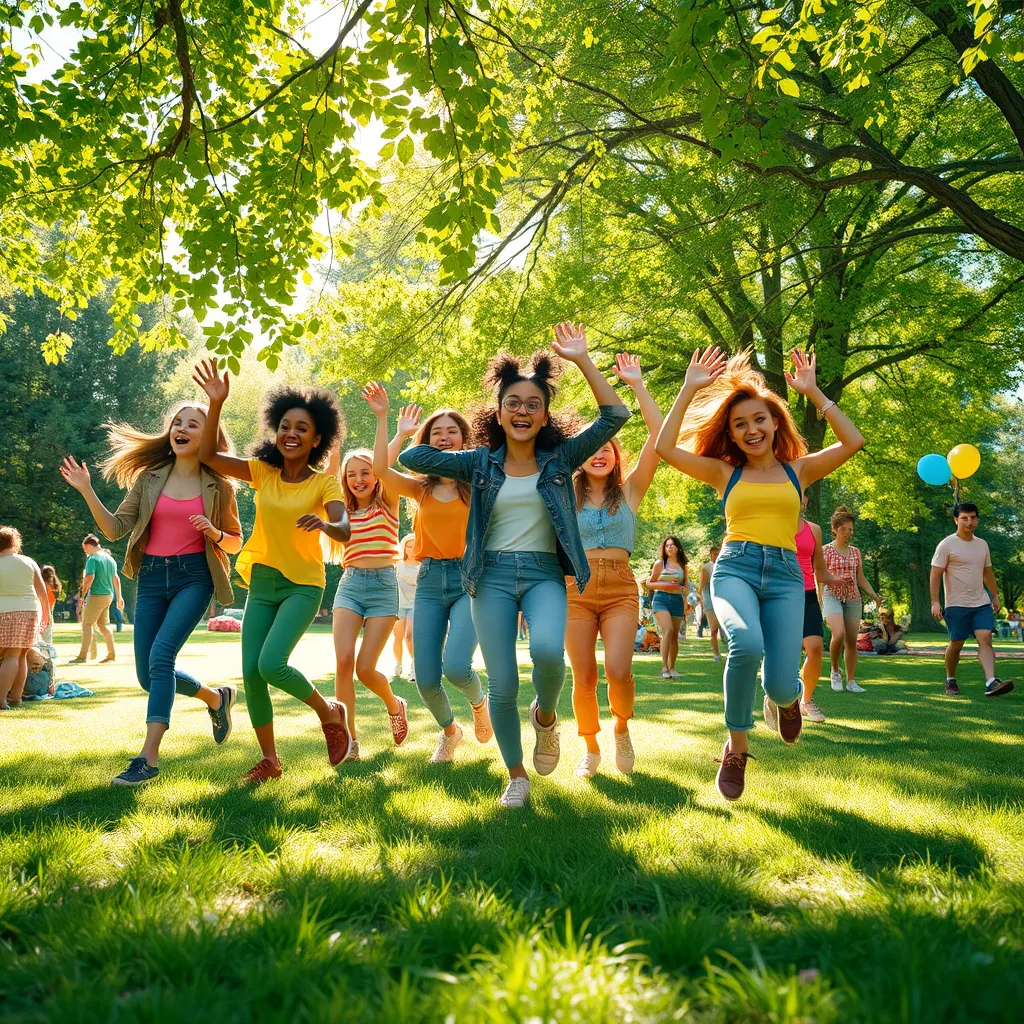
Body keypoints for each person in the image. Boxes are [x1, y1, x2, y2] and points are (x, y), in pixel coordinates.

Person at [399, 323, 630, 807]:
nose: (523, 411)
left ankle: (545, 717)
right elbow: (410, 454)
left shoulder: (561, 457)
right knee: (502, 682)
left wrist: (582, 360)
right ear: (498, 412)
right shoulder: (478, 462)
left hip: (545, 571)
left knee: (548, 653)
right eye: (513, 404)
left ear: (545, 415)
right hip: (491, 576)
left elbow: (613, 415)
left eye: (533, 404)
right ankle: (516, 775)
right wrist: (456, 450)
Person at [655, 347, 865, 800]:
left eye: (759, 420)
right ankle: (736, 746)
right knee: (745, 643)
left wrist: (813, 392)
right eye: (740, 424)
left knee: (778, 681)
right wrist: (690, 388)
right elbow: (665, 447)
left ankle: (786, 700)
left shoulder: (799, 471)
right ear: (731, 434)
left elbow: (853, 441)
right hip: (737, 568)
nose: (751, 430)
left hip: (789, 574)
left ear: (775, 424)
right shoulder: (723, 473)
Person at [60, 402, 244, 786]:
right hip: (151, 578)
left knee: (162, 656)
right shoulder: (150, 478)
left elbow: (234, 542)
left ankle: (148, 759)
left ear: (206, 436)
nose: (182, 428)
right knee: (149, 675)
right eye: (177, 422)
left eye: (193, 424)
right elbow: (114, 530)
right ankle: (216, 698)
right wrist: (87, 490)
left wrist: (213, 532)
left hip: (195, 577)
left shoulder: (219, 486)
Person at [194, 360, 352, 783]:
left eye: (302, 428)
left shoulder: (325, 483)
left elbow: (345, 528)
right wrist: (216, 405)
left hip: (303, 585)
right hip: (262, 581)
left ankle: (329, 712)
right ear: (275, 430)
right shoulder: (263, 472)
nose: (292, 434)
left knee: (271, 664)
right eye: (285, 426)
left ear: (317, 438)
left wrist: (326, 525)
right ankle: (271, 761)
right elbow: (207, 455)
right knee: (250, 673)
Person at [364, 385, 493, 763]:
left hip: (469, 580)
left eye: (453, 432)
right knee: (425, 677)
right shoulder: (419, 489)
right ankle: (450, 732)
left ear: (464, 440)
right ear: (427, 444)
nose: (445, 437)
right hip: (430, 579)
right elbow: (378, 470)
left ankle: (478, 701)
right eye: (437, 433)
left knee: (456, 667)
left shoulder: (480, 486)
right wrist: (389, 423)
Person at [566, 352, 663, 779]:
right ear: (581, 455)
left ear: (615, 455)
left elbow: (659, 436)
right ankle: (590, 746)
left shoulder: (629, 492)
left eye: (607, 447)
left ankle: (621, 727)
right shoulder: (562, 494)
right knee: (583, 676)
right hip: (575, 589)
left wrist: (637, 386)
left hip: (621, 587)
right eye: (592, 447)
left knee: (619, 671)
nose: (599, 453)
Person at [331, 395, 417, 758]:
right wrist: (333, 446)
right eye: (352, 475)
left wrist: (386, 422)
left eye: (364, 473)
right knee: (343, 663)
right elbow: (330, 469)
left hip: (384, 586)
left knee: (366, 669)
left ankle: (395, 704)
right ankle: (349, 740)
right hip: (349, 586)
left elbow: (385, 465)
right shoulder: (341, 510)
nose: (358, 479)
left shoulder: (388, 502)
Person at [930, 502, 1013, 697]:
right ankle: (950, 679)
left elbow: (987, 572)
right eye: (965, 518)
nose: (970, 522)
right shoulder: (946, 544)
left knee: (985, 639)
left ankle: (991, 681)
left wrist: (994, 595)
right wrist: (935, 601)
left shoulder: (982, 544)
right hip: (956, 604)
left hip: (981, 603)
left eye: (973, 517)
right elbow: (935, 574)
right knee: (957, 642)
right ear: (956, 520)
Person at [822, 507, 883, 694]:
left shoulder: (856, 552)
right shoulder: (825, 551)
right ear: (835, 529)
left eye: (851, 530)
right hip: (831, 595)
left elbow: (861, 578)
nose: (849, 533)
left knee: (850, 641)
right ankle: (834, 670)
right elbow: (820, 577)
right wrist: (823, 596)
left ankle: (851, 681)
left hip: (853, 598)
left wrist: (874, 594)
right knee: (838, 634)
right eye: (845, 529)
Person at [793, 499, 842, 723]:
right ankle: (782, 699)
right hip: (779, 595)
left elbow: (819, 569)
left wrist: (834, 579)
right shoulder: (772, 526)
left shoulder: (813, 530)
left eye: (803, 495)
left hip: (807, 594)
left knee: (814, 648)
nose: (800, 500)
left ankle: (807, 700)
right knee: (787, 652)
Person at [0, 526, 50, 709]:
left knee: (11, 656)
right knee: (19, 654)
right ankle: (15, 697)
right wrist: (47, 614)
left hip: (2, 610)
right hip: (28, 610)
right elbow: (42, 592)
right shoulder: (28, 562)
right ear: (15, 543)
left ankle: (1, 701)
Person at [68, 535, 122, 665]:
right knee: (103, 626)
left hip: (97, 595)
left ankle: (82, 656)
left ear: (89, 546)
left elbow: (89, 578)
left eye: (85, 549)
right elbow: (116, 579)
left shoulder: (92, 558)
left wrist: (81, 596)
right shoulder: (110, 558)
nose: (85, 552)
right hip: (109, 596)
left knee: (86, 624)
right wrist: (119, 597)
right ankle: (111, 654)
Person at [648, 536, 687, 680]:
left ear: (678, 548)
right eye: (667, 546)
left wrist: (684, 595)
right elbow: (649, 583)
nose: (669, 548)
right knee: (668, 629)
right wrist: (665, 585)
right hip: (661, 599)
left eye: (672, 545)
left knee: (674, 637)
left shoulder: (683, 566)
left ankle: (672, 668)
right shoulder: (660, 563)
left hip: (677, 601)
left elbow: (685, 587)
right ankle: (664, 668)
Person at [393, 534, 419, 682]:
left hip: (415, 604)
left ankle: (415, 666)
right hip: (399, 604)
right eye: (409, 546)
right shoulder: (398, 564)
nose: (412, 549)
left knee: (409, 636)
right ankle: (398, 664)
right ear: (404, 548)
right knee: (397, 636)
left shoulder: (423, 565)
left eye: (415, 546)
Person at [697, 546, 722, 662]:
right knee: (713, 630)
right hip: (710, 603)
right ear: (711, 554)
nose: (717, 555)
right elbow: (701, 586)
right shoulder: (707, 567)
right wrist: (700, 600)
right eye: (715, 553)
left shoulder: (723, 566)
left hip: (722, 601)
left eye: (719, 553)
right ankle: (716, 654)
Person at [39, 566, 62, 645]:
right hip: (50, 611)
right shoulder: (57, 585)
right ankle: (48, 654)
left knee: (39, 636)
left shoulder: (43, 586)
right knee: (48, 636)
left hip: (41, 611)